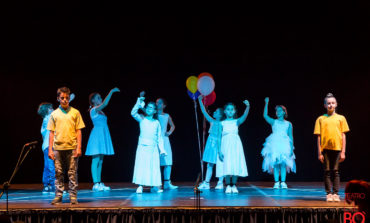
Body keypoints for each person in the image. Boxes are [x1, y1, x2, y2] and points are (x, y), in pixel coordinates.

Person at [48, 87, 85, 204]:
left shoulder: (75, 112)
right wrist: (50, 150)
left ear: (69, 98)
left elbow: (79, 131)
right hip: (58, 148)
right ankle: (58, 195)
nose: (65, 100)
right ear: (58, 98)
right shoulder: (54, 114)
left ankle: (73, 196)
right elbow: (51, 133)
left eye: (67, 98)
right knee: (58, 173)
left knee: (72, 173)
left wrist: (79, 147)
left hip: (72, 148)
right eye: (62, 98)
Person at [314, 93, 349, 202]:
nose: (330, 105)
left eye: (333, 103)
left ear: (336, 104)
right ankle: (329, 193)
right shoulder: (320, 119)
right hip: (325, 149)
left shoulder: (341, 118)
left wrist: (343, 151)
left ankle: (336, 193)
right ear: (325, 105)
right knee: (327, 171)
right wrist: (319, 152)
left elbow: (343, 135)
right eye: (328, 103)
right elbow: (318, 136)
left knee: (336, 171)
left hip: (337, 149)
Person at [85, 87, 120, 191]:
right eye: (99, 98)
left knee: (100, 160)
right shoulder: (93, 110)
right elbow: (104, 104)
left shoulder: (101, 112)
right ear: (93, 101)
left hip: (103, 135)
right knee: (95, 159)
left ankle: (99, 182)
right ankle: (95, 183)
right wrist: (111, 92)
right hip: (96, 136)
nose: (101, 99)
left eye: (101, 98)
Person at [132, 92, 167, 193]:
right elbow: (133, 112)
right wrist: (139, 100)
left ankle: (154, 185)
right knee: (142, 165)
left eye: (151, 108)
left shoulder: (156, 123)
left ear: (155, 111)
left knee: (153, 166)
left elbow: (159, 138)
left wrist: (162, 150)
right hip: (142, 147)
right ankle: (140, 185)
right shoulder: (142, 118)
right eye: (148, 107)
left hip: (153, 148)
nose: (148, 109)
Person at [261, 97, 296, 189]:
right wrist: (266, 103)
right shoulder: (274, 122)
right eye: (277, 111)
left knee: (283, 164)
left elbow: (291, 136)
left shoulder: (288, 124)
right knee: (276, 163)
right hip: (275, 144)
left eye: (280, 110)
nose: (278, 112)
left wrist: (291, 147)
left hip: (284, 144)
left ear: (284, 112)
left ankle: (283, 182)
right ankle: (276, 182)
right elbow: (265, 115)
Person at [216, 100, 250, 194]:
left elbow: (244, 116)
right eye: (228, 109)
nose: (230, 111)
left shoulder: (236, 121)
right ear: (225, 111)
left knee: (235, 163)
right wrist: (219, 151)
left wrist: (247, 106)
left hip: (235, 145)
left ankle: (234, 184)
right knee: (226, 164)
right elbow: (219, 137)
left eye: (232, 109)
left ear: (234, 111)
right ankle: (227, 185)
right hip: (225, 145)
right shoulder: (221, 123)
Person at [197, 95, 224, 190]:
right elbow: (203, 111)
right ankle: (207, 182)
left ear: (220, 115)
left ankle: (220, 182)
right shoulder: (212, 121)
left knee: (220, 164)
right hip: (211, 143)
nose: (214, 112)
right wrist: (200, 101)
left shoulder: (223, 123)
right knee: (210, 163)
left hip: (219, 144)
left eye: (216, 112)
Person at [156, 98, 178, 190]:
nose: (158, 104)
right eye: (156, 102)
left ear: (164, 105)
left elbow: (173, 126)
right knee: (156, 162)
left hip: (165, 140)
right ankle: (156, 183)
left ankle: (167, 183)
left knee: (168, 161)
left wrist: (169, 132)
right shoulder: (154, 115)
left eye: (160, 103)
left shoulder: (166, 115)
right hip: (156, 140)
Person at [37, 102, 56, 193]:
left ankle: (46, 185)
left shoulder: (45, 120)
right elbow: (58, 112)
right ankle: (53, 186)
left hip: (46, 146)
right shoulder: (49, 118)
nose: (53, 109)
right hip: (49, 145)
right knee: (52, 166)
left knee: (47, 166)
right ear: (48, 110)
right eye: (51, 108)